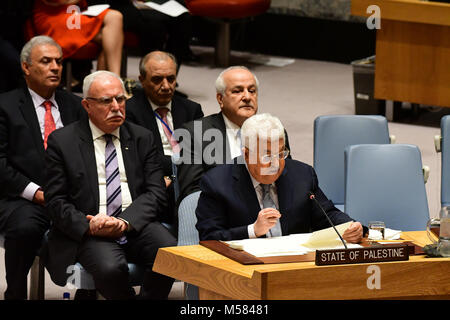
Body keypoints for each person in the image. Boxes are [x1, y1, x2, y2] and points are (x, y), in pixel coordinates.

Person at [44, 70, 177, 300]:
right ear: (86, 105)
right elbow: (55, 201)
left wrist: (125, 222)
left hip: (135, 222)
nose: (116, 107)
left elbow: (156, 193)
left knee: (171, 255)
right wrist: (92, 225)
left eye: (121, 99)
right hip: (92, 229)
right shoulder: (63, 142)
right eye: (107, 101)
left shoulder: (141, 137)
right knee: (110, 268)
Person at [0, 35, 83, 300]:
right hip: (22, 197)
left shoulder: (75, 105)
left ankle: (89, 290)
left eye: (58, 61)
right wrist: (37, 193)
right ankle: (15, 292)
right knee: (25, 228)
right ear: (26, 67)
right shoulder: (5, 106)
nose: (55, 67)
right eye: (46, 61)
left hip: (70, 195)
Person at [195, 113, 364, 242]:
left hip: (295, 267)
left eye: (281, 154)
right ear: (246, 155)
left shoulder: (302, 175)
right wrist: (253, 230)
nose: (276, 164)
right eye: (267, 156)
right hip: (244, 272)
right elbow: (209, 237)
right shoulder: (217, 183)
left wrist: (350, 226)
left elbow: (326, 215)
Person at [176, 66, 291, 203]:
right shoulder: (195, 134)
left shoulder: (274, 130)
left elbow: (287, 177)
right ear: (220, 99)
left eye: (252, 91)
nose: (247, 97)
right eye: (238, 91)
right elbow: (192, 192)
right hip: (222, 213)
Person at [126, 51, 203, 227]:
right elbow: (142, 156)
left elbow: (200, 153)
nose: (166, 86)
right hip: (152, 179)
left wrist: (176, 173)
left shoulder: (192, 109)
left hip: (186, 177)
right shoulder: (130, 111)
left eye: (171, 78)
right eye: (157, 79)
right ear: (142, 79)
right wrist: (179, 167)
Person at [27, 0, 124, 75]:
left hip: (73, 12)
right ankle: (113, 80)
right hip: (52, 16)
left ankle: (109, 79)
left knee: (115, 17)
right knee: (109, 37)